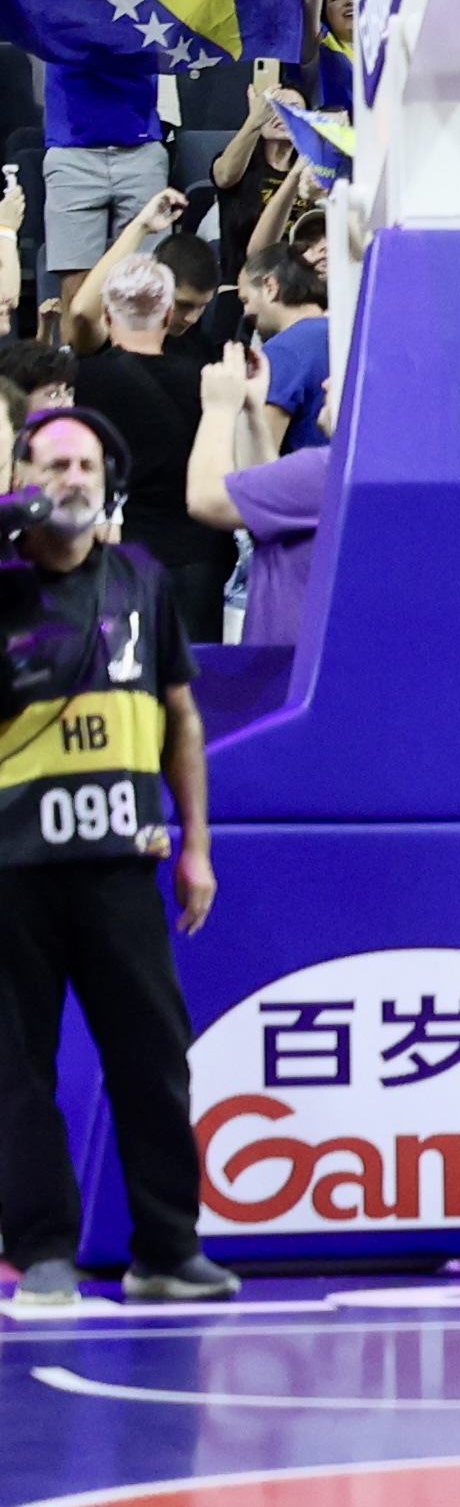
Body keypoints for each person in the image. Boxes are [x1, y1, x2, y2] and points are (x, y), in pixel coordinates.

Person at [0, 406, 231, 1306]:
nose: (72, 477)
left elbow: (181, 716)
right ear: (21, 473)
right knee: (18, 1070)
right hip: (13, 869)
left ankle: (168, 1249)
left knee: (153, 1057)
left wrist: (196, 846)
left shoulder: (141, 579)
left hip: (122, 862)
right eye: (53, 462)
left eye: (87, 463)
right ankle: (45, 1249)